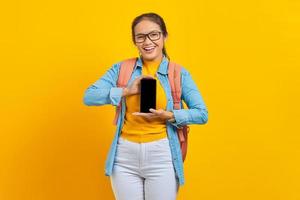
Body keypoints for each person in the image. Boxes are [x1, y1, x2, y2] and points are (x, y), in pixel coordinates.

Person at [83, 12, 208, 200]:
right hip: (124, 156)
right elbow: (89, 96)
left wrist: (169, 115)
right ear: (134, 41)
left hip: (162, 155)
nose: (147, 41)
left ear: (164, 36)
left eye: (154, 34)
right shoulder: (121, 69)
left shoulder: (178, 74)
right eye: (140, 37)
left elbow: (201, 114)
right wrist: (126, 91)